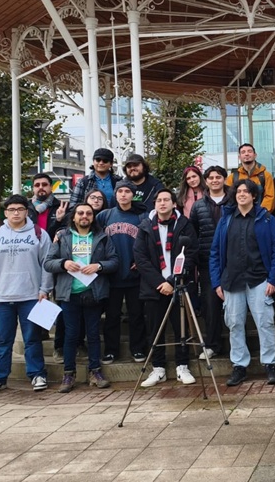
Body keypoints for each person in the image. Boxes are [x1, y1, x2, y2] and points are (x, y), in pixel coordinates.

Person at [210, 179, 275, 387]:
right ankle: (239, 366)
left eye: (246, 191)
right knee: (234, 323)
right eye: (238, 191)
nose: (242, 194)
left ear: (254, 196)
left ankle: (270, 363)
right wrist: (217, 282)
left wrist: (273, 279)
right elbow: (215, 252)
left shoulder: (267, 219)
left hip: (260, 279)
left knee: (265, 322)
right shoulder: (225, 221)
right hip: (232, 280)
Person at [0, 195, 52, 395]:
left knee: (32, 339)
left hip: (31, 297)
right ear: (6, 212)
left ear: (27, 211)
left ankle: (37, 374)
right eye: (12, 209)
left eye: (20, 209)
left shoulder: (39, 234)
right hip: (1, 298)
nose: (16, 213)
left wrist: (44, 290)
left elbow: (47, 264)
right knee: (3, 341)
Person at [45, 203, 118, 392]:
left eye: (88, 213)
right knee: (71, 335)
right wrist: (64, 263)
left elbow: (114, 262)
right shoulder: (62, 237)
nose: (84, 216)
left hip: (93, 292)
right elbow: (47, 263)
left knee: (93, 334)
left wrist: (99, 266)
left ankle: (96, 371)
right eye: (80, 213)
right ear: (74, 216)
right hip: (69, 294)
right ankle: (68, 374)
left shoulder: (102, 238)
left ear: (93, 217)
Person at [134, 189, 199, 387]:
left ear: (173, 203)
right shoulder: (145, 227)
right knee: (155, 329)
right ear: (155, 204)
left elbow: (191, 254)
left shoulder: (184, 225)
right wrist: (159, 283)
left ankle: (182, 366)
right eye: (159, 200)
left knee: (181, 329)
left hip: (178, 286)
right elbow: (141, 258)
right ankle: (158, 368)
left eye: (166, 200)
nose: (162, 203)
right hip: (154, 288)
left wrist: (172, 281)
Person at [97, 181, 148, 364]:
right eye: (121, 191)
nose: (124, 194)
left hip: (134, 274)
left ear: (133, 195)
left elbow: (148, 242)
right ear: (115, 194)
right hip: (111, 275)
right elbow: (90, 234)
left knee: (136, 315)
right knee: (112, 316)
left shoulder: (141, 216)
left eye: (128, 191)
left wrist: (141, 261)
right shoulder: (105, 215)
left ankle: (138, 349)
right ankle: (111, 350)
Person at [190, 165, 232, 360]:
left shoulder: (233, 201)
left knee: (236, 304)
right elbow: (193, 233)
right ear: (206, 181)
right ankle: (212, 344)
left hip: (233, 260)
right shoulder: (198, 206)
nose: (215, 180)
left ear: (224, 179)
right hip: (208, 261)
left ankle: (237, 345)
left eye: (218, 177)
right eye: (211, 177)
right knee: (210, 304)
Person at [226, 143, 275, 212]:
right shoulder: (232, 177)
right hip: (239, 217)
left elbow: (270, 197)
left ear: (255, 155)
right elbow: (229, 198)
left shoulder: (266, 175)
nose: (246, 154)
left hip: (260, 217)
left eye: (249, 151)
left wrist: (260, 213)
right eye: (243, 152)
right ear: (239, 157)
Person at [27, 173, 67, 238]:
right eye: (37, 185)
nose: (41, 187)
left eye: (44, 184)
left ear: (51, 187)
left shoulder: (62, 207)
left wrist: (58, 220)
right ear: (33, 188)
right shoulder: (26, 207)